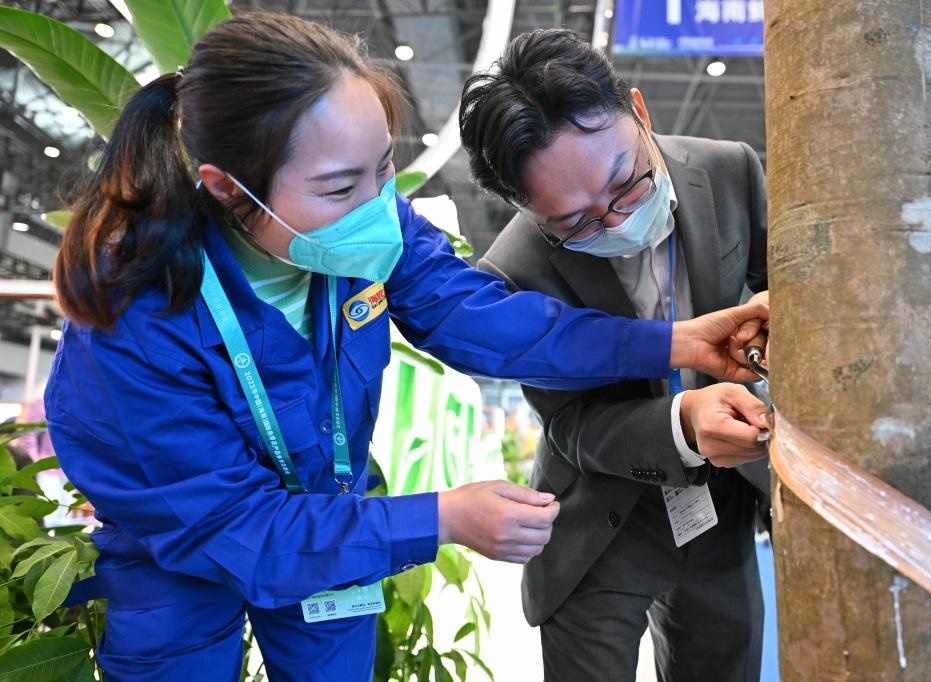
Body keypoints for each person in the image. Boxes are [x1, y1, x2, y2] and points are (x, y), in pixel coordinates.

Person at [44, 13, 767, 682]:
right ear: (229, 189)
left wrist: (675, 342)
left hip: (333, 522)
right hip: (182, 557)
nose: (377, 210)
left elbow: (485, 320)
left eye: (383, 169)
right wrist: (442, 518)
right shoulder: (133, 313)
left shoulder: (359, 231)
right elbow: (230, 527)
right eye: (339, 187)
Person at [460, 28, 770, 682]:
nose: (618, 221)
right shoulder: (513, 272)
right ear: (525, 207)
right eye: (575, 223)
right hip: (599, 522)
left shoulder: (729, 171)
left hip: (722, 506)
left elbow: (794, 294)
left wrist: (776, 329)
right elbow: (568, 421)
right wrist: (681, 424)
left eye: (627, 184)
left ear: (639, 110)